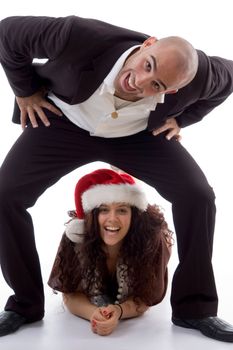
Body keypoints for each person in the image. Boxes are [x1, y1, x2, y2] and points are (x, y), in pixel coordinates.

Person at [0, 15, 233, 342]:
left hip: (136, 134)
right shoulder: (76, 35)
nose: (139, 82)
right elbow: (7, 32)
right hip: (65, 120)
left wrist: (183, 118)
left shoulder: (202, 76)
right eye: (147, 65)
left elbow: (230, 77)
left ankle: (196, 309)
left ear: (176, 89)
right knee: (5, 195)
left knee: (198, 195)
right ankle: (23, 305)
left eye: (157, 85)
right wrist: (25, 91)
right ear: (148, 44)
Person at [48, 168, 172, 336]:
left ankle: (124, 171)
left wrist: (119, 311)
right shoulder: (76, 237)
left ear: (133, 215)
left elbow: (144, 299)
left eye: (122, 210)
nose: (112, 218)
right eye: (104, 210)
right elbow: (70, 294)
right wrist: (93, 313)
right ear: (94, 214)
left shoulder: (150, 242)